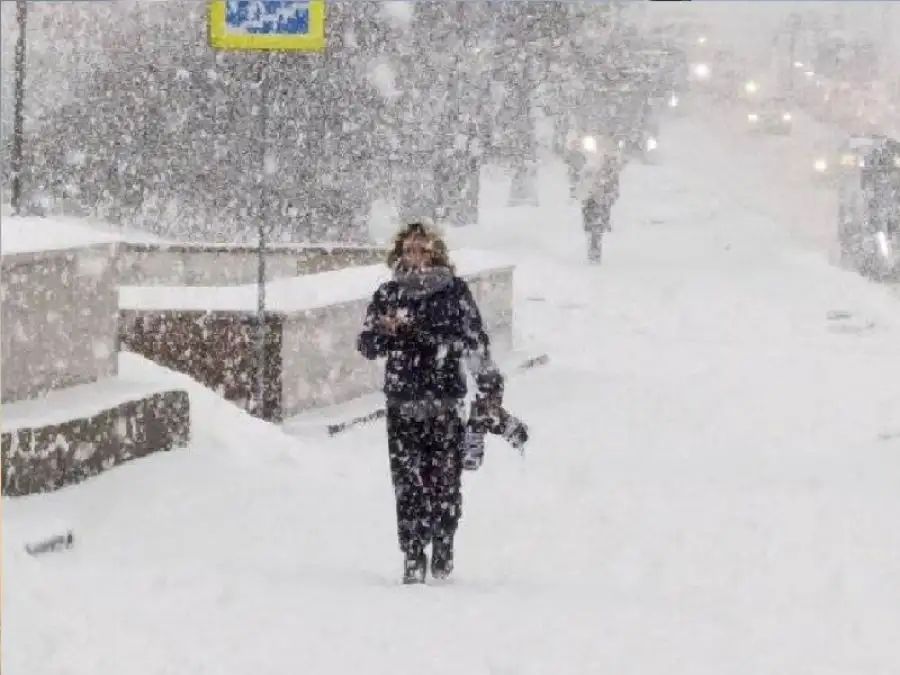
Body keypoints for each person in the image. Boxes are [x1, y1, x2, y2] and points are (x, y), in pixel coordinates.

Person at [357, 221, 504, 584]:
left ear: (436, 252)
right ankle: (412, 553)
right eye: (409, 250)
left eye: (422, 250)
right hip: (402, 402)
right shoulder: (389, 294)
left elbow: (473, 342)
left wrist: (488, 387)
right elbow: (366, 345)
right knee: (407, 484)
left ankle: (442, 542)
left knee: (444, 482)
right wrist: (382, 331)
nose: (416, 257)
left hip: (444, 402)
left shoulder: (453, 293)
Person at [574, 137, 622, 263]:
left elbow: (613, 181)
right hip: (592, 196)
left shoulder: (609, 163)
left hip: (599, 195)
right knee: (592, 221)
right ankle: (594, 244)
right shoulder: (588, 162)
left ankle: (595, 248)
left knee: (596, 222)